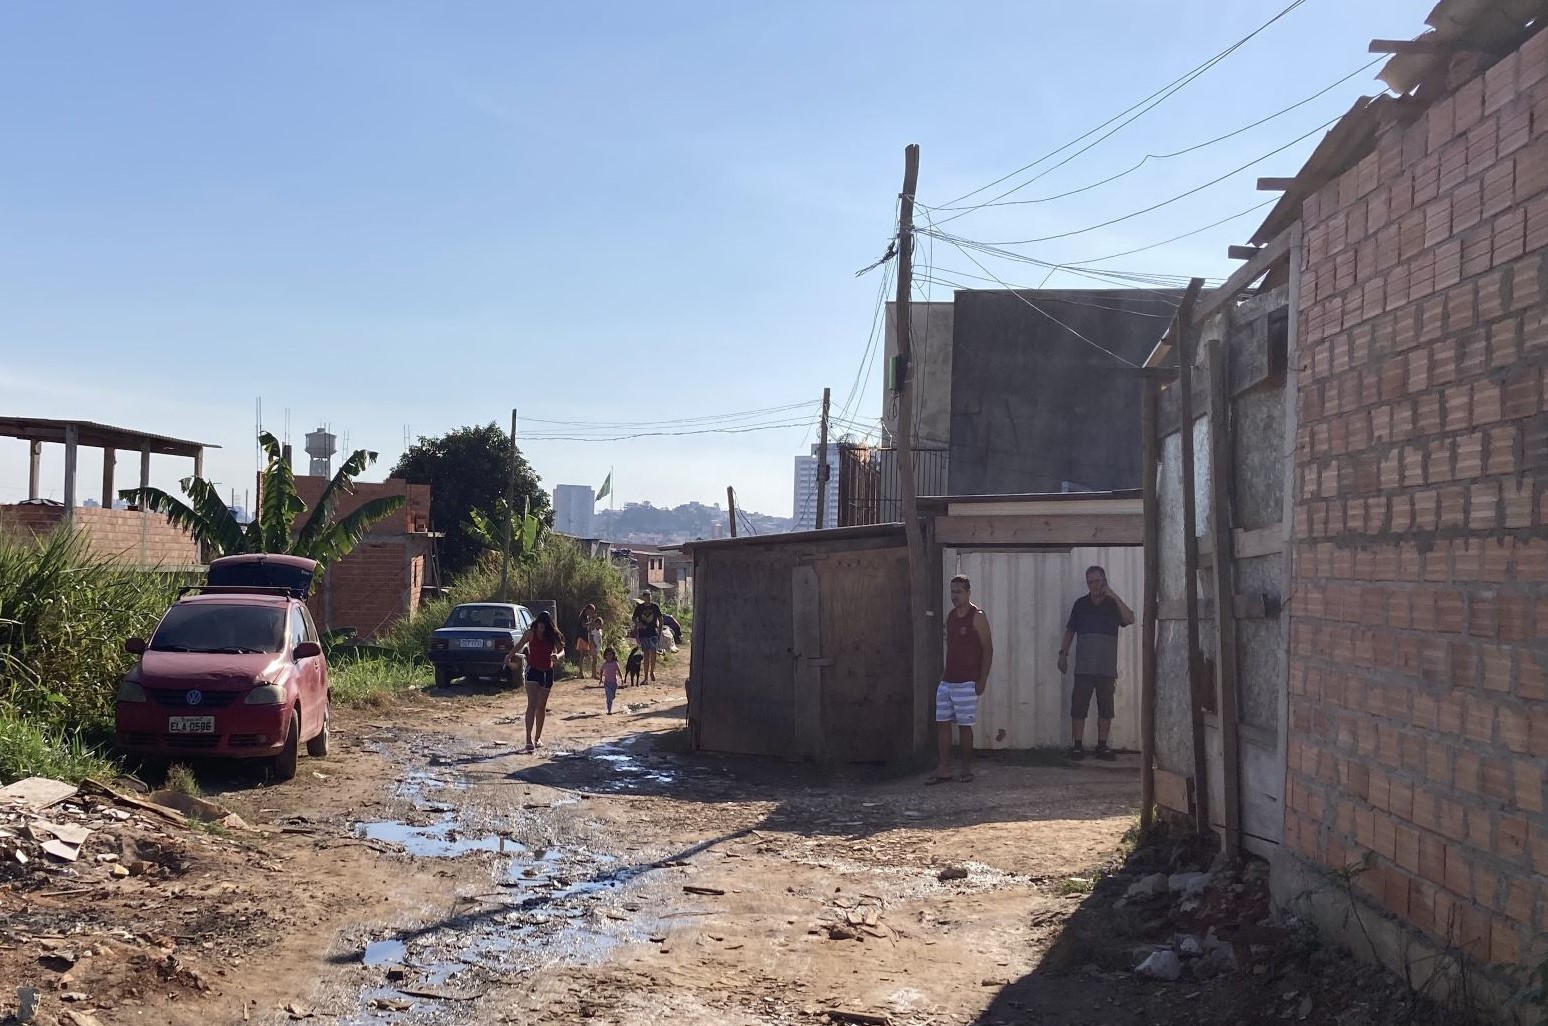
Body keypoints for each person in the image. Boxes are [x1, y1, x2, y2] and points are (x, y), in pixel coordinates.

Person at [1059, 565, 1135, 761]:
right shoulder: (1080, 604)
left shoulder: (1112, 604)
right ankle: (1077, 746)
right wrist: (1063, 653)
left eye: (1097, 581)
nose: (1093, 585)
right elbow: (1070, 630)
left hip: (1106, 668)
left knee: (1106, 708)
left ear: (1104, 581)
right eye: (1090, 582)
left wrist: (1113, 595)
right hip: (1084, 666)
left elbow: (1130, 618)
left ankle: (1102, 746)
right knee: (1078, 707)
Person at [928, 574, 993, 785]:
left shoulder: (978, 616)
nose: (954, 596)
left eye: (958, 592)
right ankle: (944, 768)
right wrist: (943, 675)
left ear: (968, 593)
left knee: (965, 726)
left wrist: (982, 679)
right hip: (948, 680)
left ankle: (966, 768)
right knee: (942, 723)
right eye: (952, 591)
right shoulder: (951, 616)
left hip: (967, 681)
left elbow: (988, 649)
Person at [510, 610, 565, 754]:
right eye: (540, 624)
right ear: (537, 623)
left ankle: (537, 737)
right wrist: (509, 656)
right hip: (533, 670)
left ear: (548, 626)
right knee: (532, 704)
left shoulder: (552, 636)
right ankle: (528, 739)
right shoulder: (530, 633)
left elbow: (562, 650)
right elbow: (520, 644)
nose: (541, 627)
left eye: (544, 625)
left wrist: (557, 656)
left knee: (541, 707)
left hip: (547, 672)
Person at [631, 593, 664, 684]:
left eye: (649, 596)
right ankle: (645, 677)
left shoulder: (655, 607)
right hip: (643, 634)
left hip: (653, 632)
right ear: (643, 597)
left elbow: (660, 619)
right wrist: (638, 624)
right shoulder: (639, 607)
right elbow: (633, 618)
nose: (647, 598)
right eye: (646, 596)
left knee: (653, 653)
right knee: (646, 655)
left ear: (651, 597)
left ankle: (652, 672)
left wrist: (660, 632)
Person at [579, 603, 605, 680]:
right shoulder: (583, 616)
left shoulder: (587, 617)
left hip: (585, 637)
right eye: (592, 611)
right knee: (582, 655)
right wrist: (591, 623)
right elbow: (584, 625)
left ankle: (584, 672)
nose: (592, 613)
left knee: (584, 655)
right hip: (581, 637)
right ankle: (581, 673)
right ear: (588, 610)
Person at [600, 646, 621, 714]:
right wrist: (601, 679)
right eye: (607, 655)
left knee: (612, 696)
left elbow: (619, 670)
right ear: (605, 656)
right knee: (609, 696)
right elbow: (601, 670)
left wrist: (622, 678)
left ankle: (609, 700)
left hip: (614, 683)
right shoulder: (605, 663)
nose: (609, 656)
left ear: (613, 655)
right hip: (607, 683)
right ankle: (609, 710)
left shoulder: (615, 663)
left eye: (610, 654)